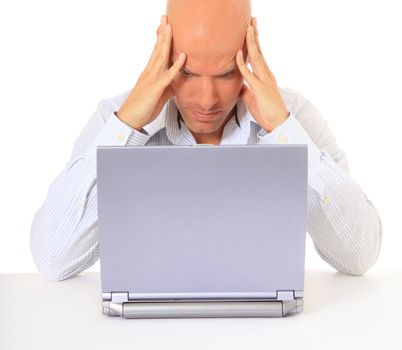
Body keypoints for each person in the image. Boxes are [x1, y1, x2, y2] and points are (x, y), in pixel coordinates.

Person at [30, 0, 382, 281]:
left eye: (227, 72)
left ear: (250, 51)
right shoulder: (115, 118)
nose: (207, 99)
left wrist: (284, 132)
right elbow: (52, 259)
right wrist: (127, 126)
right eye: (186, 71)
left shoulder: (294, 117)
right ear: (163, 53)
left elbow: (360, 255)